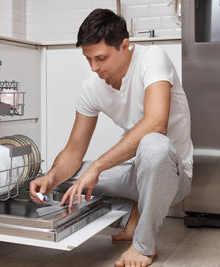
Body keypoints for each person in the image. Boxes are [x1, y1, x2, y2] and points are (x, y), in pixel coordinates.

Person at [29, 8, 193, 267]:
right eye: (88, 59)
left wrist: (97, 167)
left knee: (153, 145)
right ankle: (131, 218)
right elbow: (73, 150)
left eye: (101, 58)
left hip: (172, 174)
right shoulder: (91, 87)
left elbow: (156, 123)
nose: (94, 67)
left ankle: (143, 245)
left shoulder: (152, 59)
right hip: (134, 172)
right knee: (60, 183)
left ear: (125, 46)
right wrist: (51, 176)